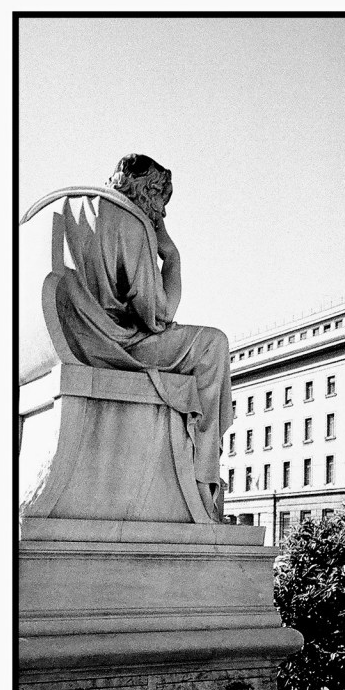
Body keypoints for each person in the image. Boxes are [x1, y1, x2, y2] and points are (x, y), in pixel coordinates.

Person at [51, 153, 232, 519]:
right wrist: (172, 256)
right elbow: (159, 314)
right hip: (116, 343)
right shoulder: (131, 222)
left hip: (81, 334)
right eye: (161, 200)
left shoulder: (81, 207)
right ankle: (203, 476)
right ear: (146, 191)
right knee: (214, 345)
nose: (162, 214)